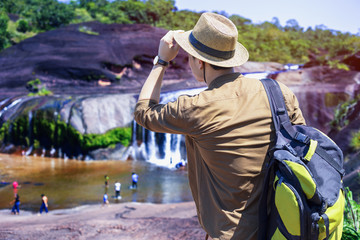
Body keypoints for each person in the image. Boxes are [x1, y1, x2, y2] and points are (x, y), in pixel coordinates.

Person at [134, 12, 306, 240]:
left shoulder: (195, 107)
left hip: (230, 233)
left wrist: (162, 62)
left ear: (200, 62)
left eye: (190, 57)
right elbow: (302, 145)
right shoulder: (278, 93)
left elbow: (143, 112)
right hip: (285, 226)